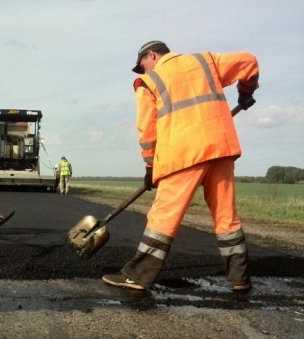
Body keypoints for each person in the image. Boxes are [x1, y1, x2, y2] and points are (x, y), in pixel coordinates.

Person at [102, 41, 259, 292]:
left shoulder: (149, 82)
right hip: (220, 148)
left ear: (151, 55)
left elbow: (147, 131)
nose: (142, 72)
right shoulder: (205, 61)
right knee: (226, 217)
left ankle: (138, 277)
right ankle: (239, 279)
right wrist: (246, 91)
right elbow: (249, 60)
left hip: (182, 154)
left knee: (163, 217)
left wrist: (149, 166)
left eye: (142, 65)